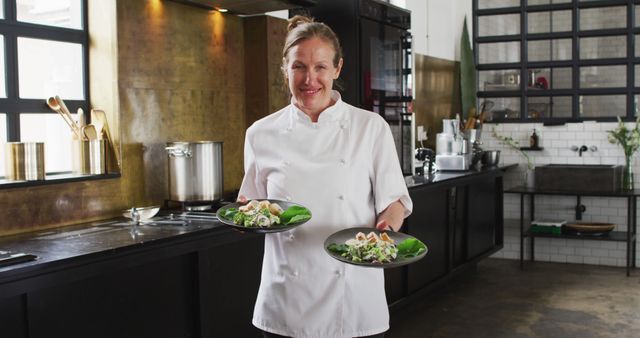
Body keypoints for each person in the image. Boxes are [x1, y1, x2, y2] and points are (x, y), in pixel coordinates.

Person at [238, 15, 412, 338]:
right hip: (286, 305)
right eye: (299, 67)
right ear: (285, 69)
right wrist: (248, 215)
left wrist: (387, 225)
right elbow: (255, 207)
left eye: (320, 67)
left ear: (337, 69)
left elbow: (396, 203)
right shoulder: (260, 135)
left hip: (355, 303)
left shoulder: (370, 129)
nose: (309, 79)